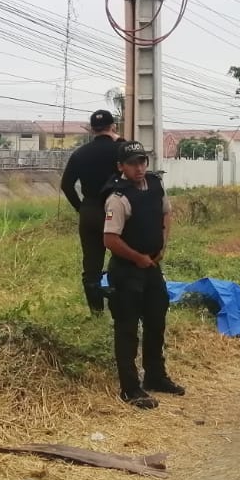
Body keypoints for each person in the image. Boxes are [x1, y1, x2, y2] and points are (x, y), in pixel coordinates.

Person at [102, 141, 185, 409]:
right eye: (133, 163)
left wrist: (162, 246)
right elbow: (110, 239)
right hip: (127, 271)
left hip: (151, 268)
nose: (139, 168)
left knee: (155, 322)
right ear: (121, 167)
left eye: (142, 162)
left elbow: (166, 214)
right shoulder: (118, 197)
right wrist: (137, 258)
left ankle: (155, 376)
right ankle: (130, 388)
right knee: (127, 330)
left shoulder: (155, 185)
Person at [60, 109, 122, 313]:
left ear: (92, 129)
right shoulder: (121, 148)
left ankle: (96, 311)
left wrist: (81, 208)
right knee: (123, 258)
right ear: (112, 126)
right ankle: (120, 306)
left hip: (89, 210)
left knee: (91, 265)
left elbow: (66, 185)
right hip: (117, 209)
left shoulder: (80, 153)